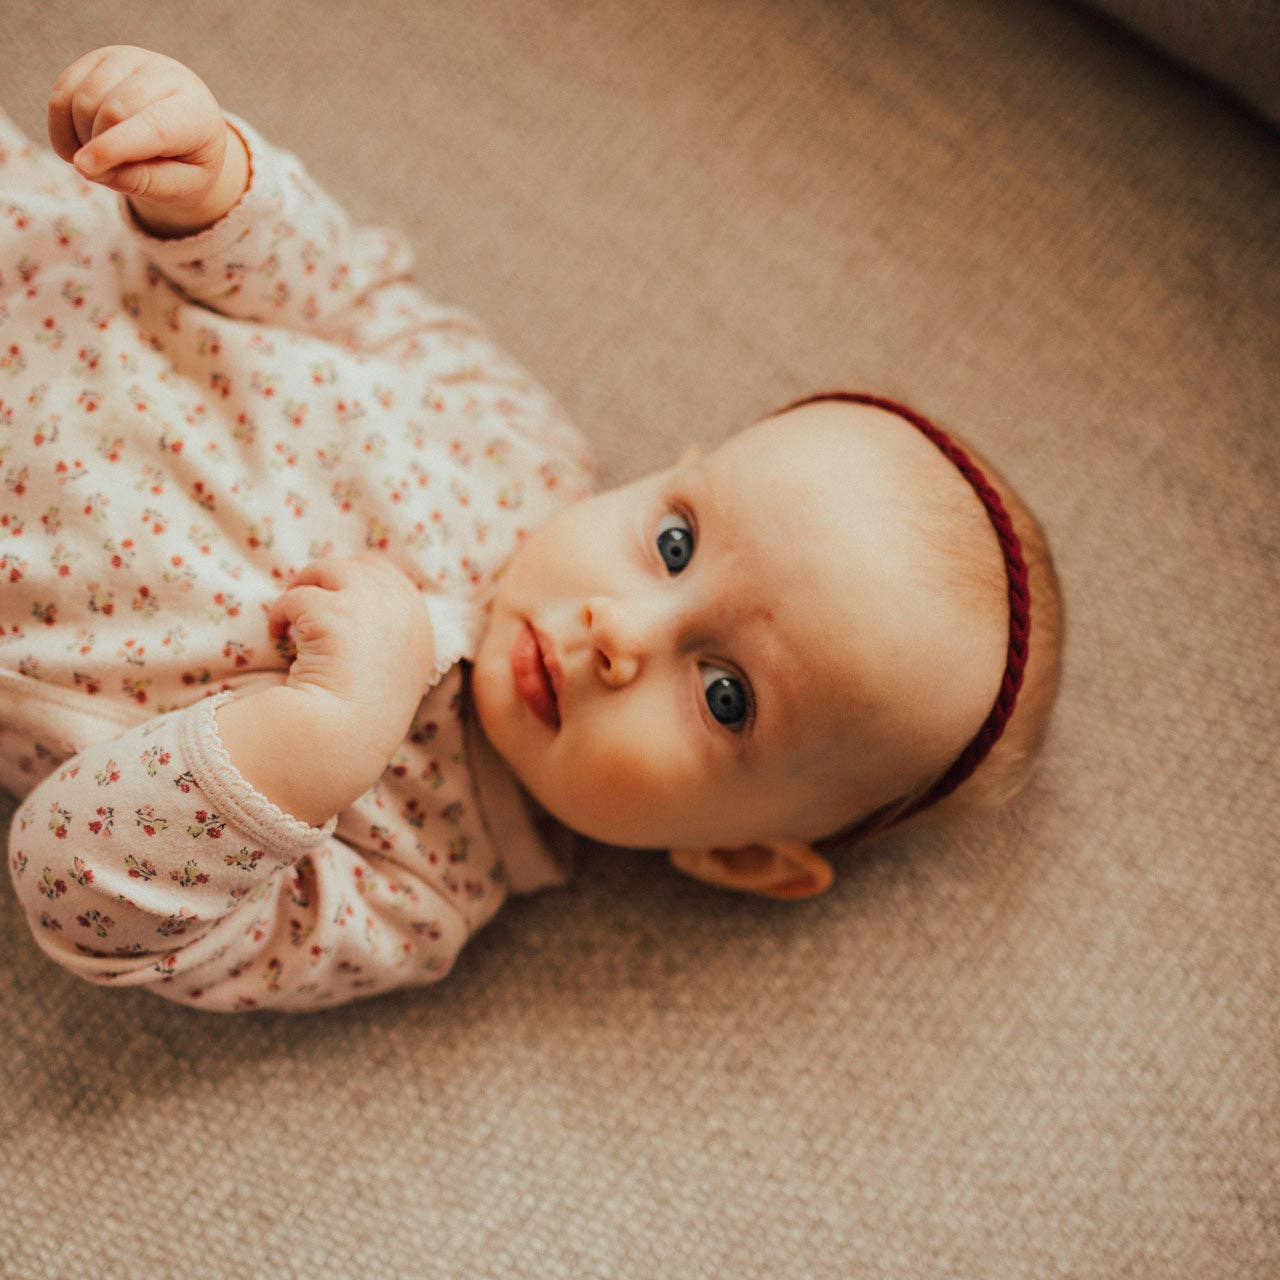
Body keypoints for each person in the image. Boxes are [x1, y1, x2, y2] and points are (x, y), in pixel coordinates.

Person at [2, 46, 1064, 1013]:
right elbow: (344, 292)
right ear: (673, 471)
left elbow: (74, 893)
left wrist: (321, 737)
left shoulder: (417, 886)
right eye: (675, 544)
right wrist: (219, 192)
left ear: (740, 853)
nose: (618, 632)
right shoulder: (516, 439)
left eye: (724, 693)